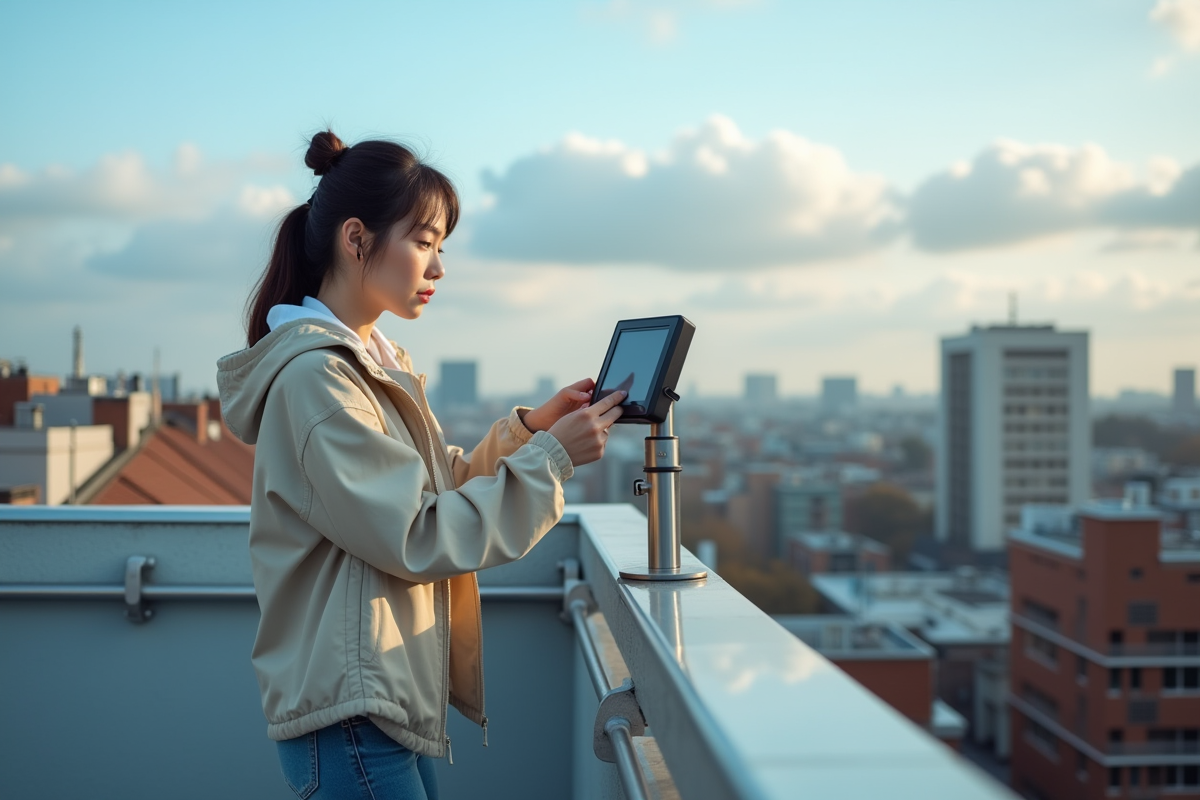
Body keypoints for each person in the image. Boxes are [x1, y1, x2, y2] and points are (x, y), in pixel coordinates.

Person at [216, 130, 625, 800]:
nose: (437, 268)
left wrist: (531, 432)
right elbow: (418, 533)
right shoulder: (318, 379)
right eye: (424, 242)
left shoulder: (374, 360)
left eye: (440, 247)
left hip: (379, 700)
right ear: (356, 241)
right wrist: (553, 461)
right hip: (350, 711)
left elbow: (433, 488)